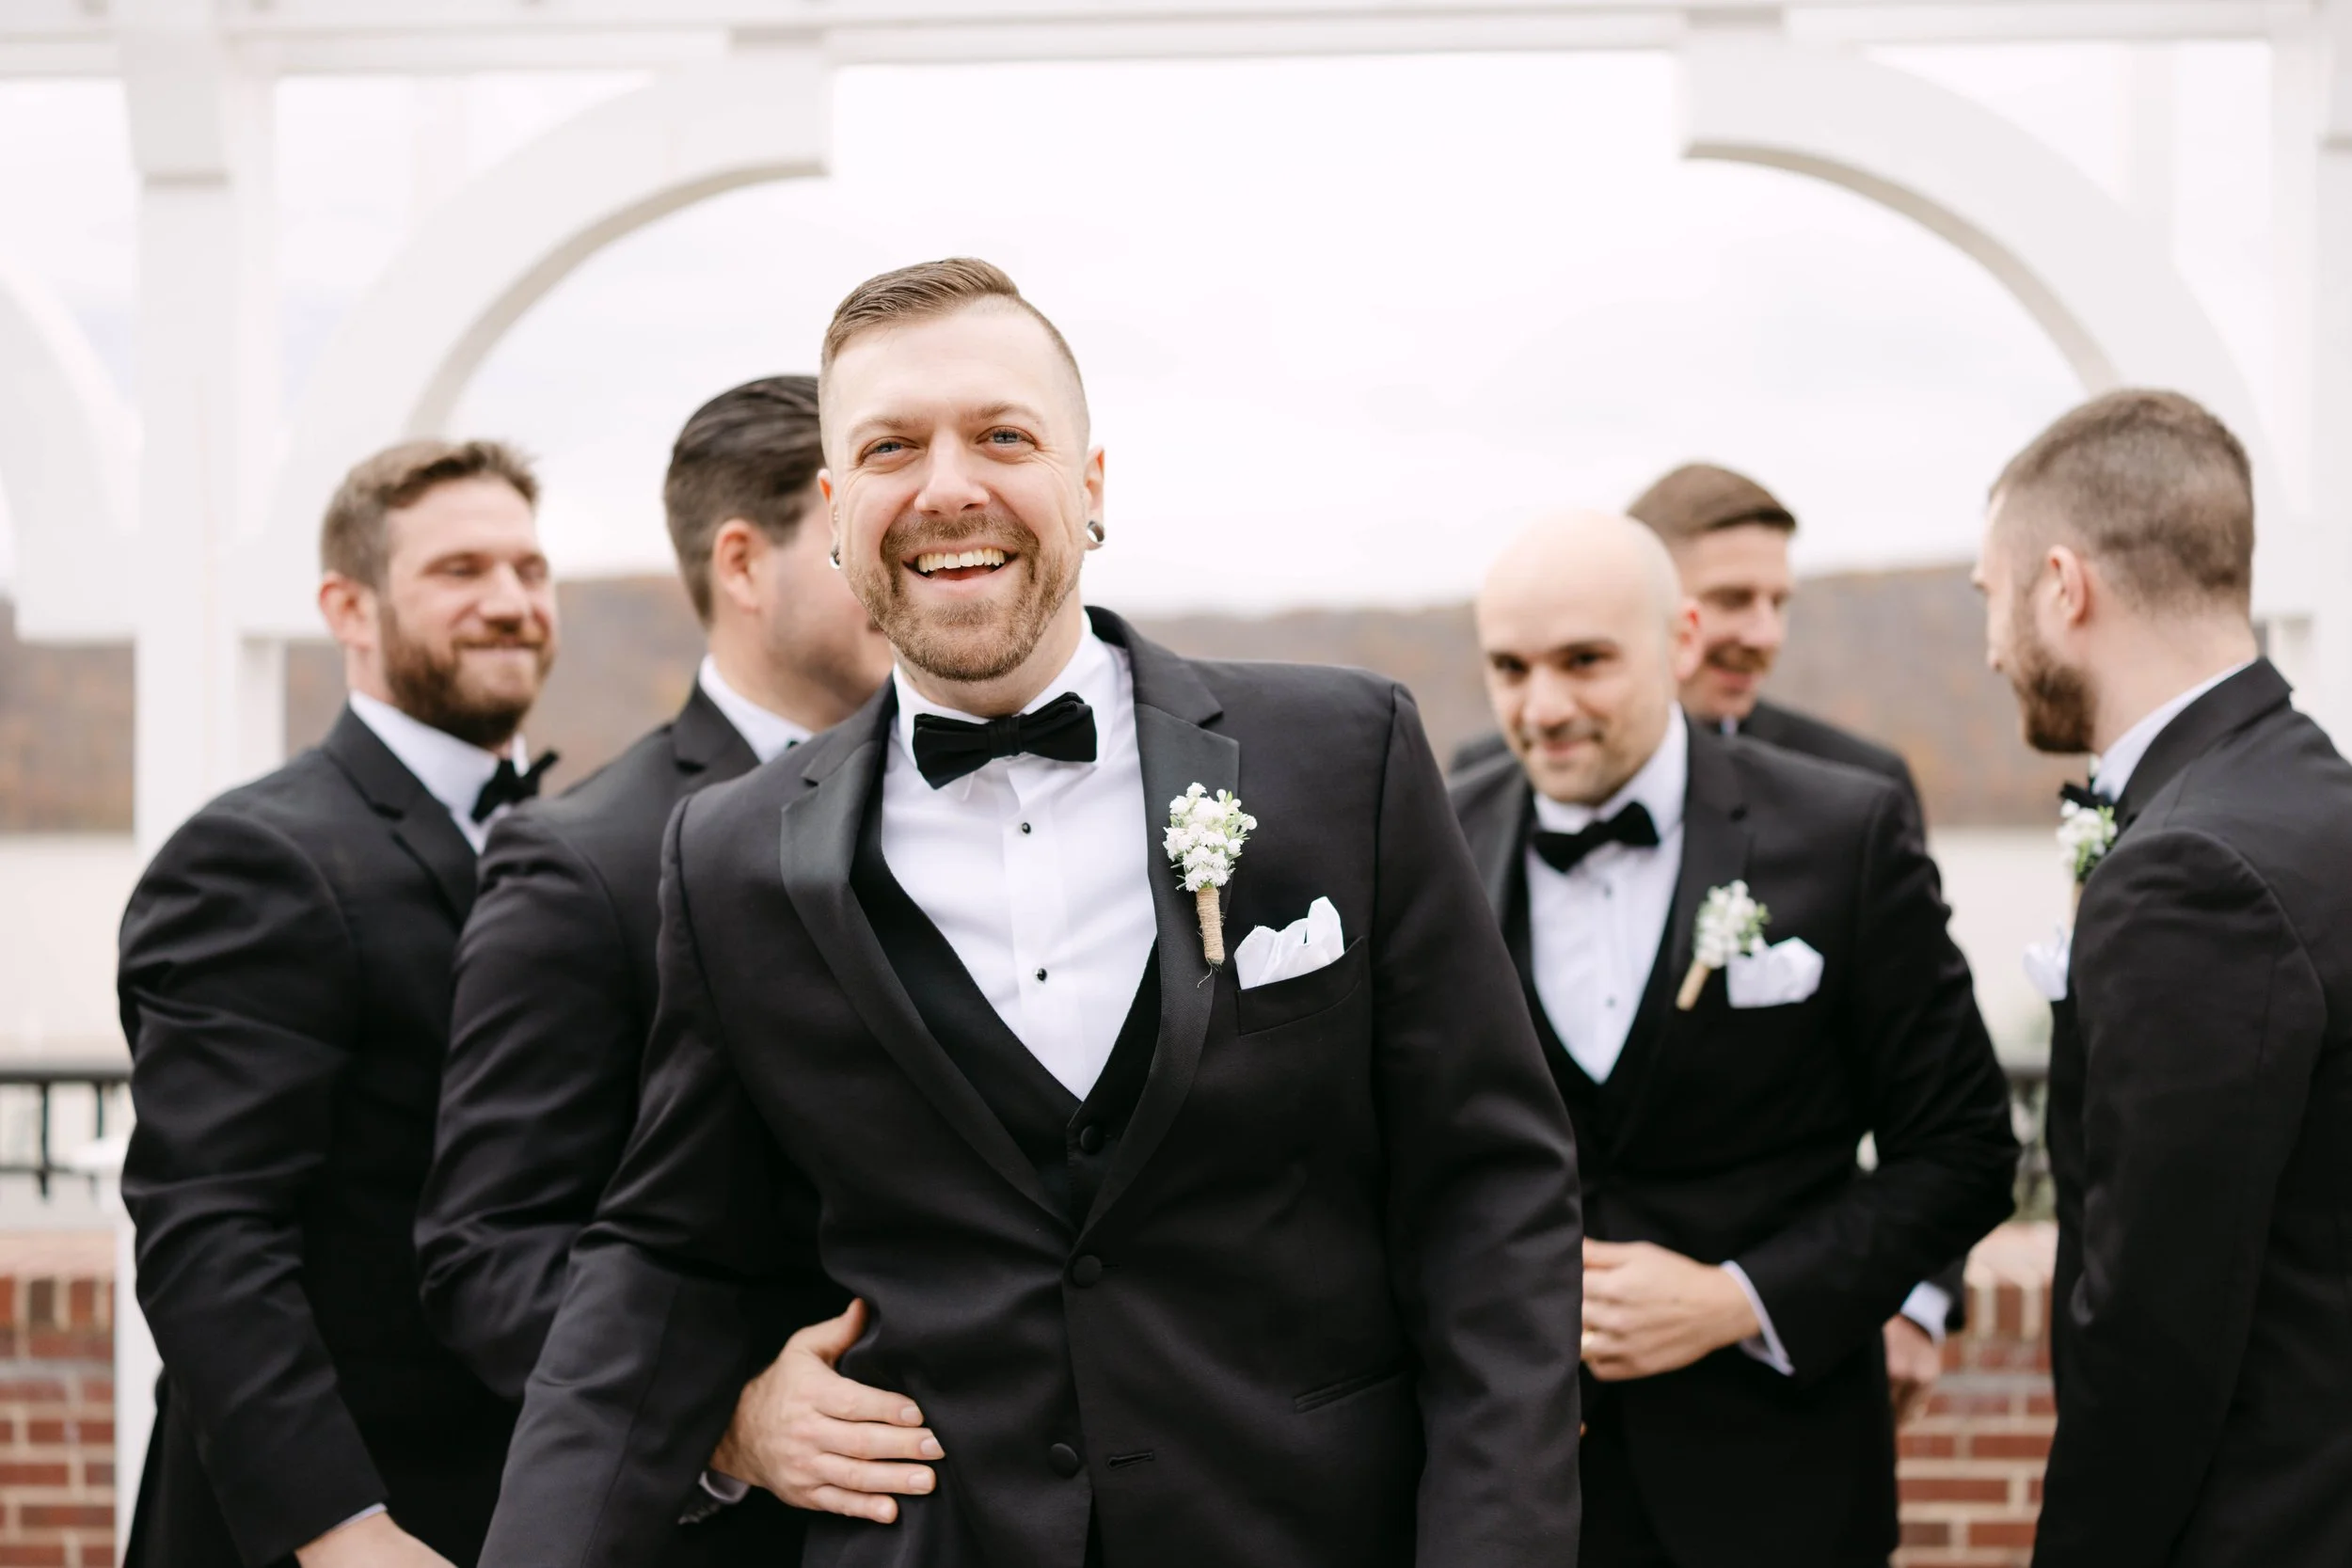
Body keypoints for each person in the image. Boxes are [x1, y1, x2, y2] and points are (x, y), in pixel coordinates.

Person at [483, 258, 1585, 1568]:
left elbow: (1489, 1193)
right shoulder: (728, 857)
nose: (948, 484)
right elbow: (666, 1254)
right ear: (835, 515)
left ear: (1091, 484)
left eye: (1003, 434)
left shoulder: (1347, 755)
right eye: (892, 446)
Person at [1451, 511, 2016, 1568]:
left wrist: (1736, 1299)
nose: (1544, 706)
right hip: (1517, 1488)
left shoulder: (1844, 834)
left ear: (1680, 639)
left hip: (1778, 1485)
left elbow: (1966, 1150)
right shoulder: (1440, 831)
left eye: (1584, 661)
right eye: (1509, 666)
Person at [415, 377, 904, 1560]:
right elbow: (488, 1248)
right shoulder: (586, 857)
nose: (910, 563)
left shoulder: (992, 804)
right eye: (856, 534)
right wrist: (730, 1422)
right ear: (743, 563)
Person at [119, 441, 559, 1568]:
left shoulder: (569, 839)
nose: (511, 603)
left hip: (529, 1498)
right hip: (342, 1520)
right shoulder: (256, 856)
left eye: (529, 568)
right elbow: (209, 1228)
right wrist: (339, 1526)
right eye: (460, 569)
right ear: (347, 607)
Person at [1974, 389, 2352, 1568]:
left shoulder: (2188, 869)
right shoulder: (2313, 794)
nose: (1990, 647)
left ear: (2060, 584)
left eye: (1989, 600)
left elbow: (2150, 1331)